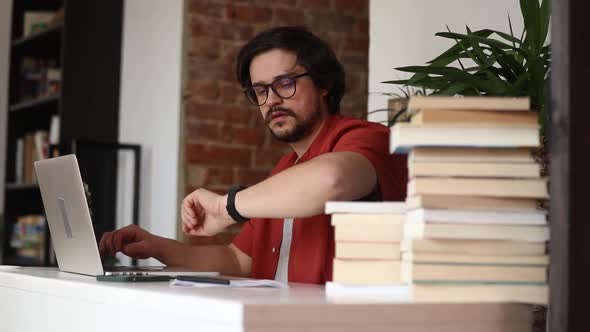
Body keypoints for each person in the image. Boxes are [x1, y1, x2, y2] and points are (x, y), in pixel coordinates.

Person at [99, 26, 407, 284]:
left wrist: (226, 206)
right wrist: (155, 246)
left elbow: (333, 178)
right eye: (260, 91)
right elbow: (237, 260)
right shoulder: (285, 171)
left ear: (324, 83)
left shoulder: (369, 138)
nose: (271, 100)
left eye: (285, 83)